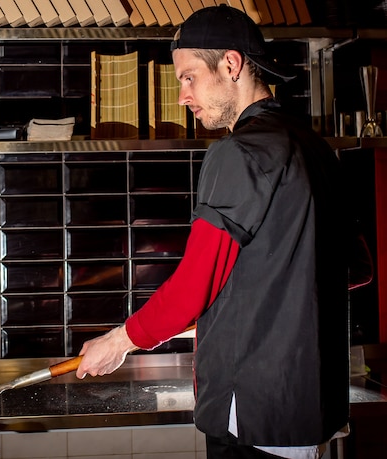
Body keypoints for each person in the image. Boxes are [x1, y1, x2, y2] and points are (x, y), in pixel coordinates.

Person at [75, 5, 355, 459]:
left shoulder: (238, 153)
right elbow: (353, 268)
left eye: (189, 77)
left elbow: (196, 283)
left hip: (253, 412)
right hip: (307, 412)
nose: (182, 95)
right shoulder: (315, 148)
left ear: (230, 64)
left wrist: (119, 341)